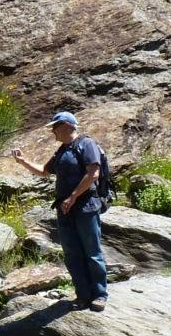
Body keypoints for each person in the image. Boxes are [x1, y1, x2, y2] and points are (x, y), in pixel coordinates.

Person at [10, 111, 110, 311]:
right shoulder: (61, 151)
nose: (52, 132)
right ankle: (83, 295)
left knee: (92, 252)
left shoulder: (86, 144)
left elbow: (93, 173)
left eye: (55, 127)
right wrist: (22, 161)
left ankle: (99, 295)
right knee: (72, 253)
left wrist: (73, 197)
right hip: (65, 209)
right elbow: (44, 172)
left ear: (66, 125)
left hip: (86, 206)